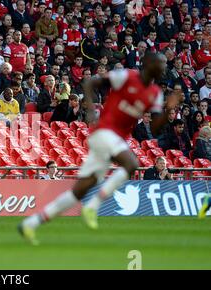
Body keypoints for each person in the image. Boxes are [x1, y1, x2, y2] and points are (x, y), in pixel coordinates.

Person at [18, 52, 180, 245]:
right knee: (131, 164)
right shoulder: (127, 76)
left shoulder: (155, 93)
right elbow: (91, 83)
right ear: (149, 63)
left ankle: (31, 223)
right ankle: (93, 206)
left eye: (164, 63)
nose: (163, 66)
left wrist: (168, 109)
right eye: (160, 62)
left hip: (116, 138)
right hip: (104, 131)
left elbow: (155, 127)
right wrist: (91, 112)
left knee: (78, 191)